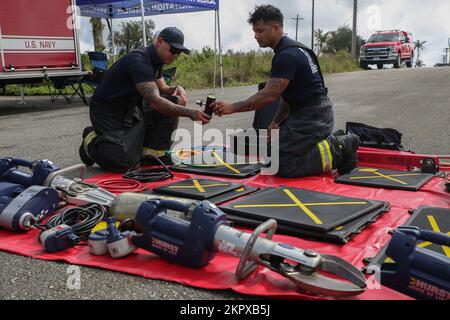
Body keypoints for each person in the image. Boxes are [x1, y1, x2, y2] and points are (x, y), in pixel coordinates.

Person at [212, 5, 359, 178]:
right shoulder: (295, 50)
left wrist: (232, 107)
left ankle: (341, 146)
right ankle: (333, 140)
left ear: (276, 27)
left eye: (260, 31)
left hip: (313, 116)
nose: (256, 36)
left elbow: (269, 95)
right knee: (270, 155)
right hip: (309, 113)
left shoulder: (287, 55)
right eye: (254, 31)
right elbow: (287, 95)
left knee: (280, 165)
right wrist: (276, 122)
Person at [79, 27, 211, 173]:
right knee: (125, 163)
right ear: (159, 41)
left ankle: (153, 154)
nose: (175, 55)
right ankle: (90, 141)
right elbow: (154, 101)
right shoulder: (139, 60)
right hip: (107, 111)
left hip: (129, 107)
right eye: (173, 50)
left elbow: (162, 88)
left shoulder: (157, 60)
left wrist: (176, 88)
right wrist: (191, 113)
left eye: (178, 53)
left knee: (173, 99)